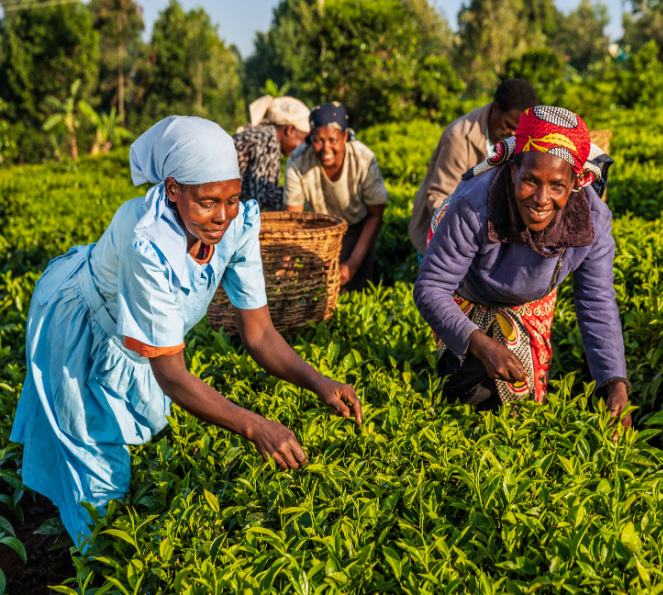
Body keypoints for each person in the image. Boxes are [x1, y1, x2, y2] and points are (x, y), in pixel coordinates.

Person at [10, 116, 362, 547]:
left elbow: (260, 334)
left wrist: (318, 381)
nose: (221, 216)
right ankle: (93, 561)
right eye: (207, 202)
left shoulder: (239, 225)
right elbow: (171, 374)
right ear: (173, 189)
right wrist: (255, 427)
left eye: (232, 199)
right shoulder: (147, 242)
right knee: (98, 476)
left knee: (126, 434)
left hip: (132, 337)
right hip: (81, 325)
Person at [413, 106, 629, 431]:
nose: (542, 198)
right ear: (512, 169)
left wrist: (614, 380)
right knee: (470, 391)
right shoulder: (474, 205)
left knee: (523, 404)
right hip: (468, 295)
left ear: (575, 183)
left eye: (557, 185)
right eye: (530, 180)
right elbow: (431, 288)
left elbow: (596, 300)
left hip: (531, 303)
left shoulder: (592, 220)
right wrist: (479, 343)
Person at [408, 79, 539, 258]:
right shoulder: (459, 138)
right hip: (443, 240)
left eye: (520, 130)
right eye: (509, 125)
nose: (514, 135)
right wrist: (475, 233)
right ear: (495, 110)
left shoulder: (523, 138)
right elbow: (439, 198)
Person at [284, 102, 388, 292]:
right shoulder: (298, 161)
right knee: (321, 289)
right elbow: (294, 220)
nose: (326, 148)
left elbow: (375, 214)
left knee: (357, 288)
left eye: (332, 140)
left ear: (345, 136)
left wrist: (353, 264)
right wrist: (287, 262)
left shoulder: (364, 159)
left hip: (358, 227)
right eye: (318, 140)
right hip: (320, 229)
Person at [233, 95, 310, 211]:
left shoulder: (262, 133)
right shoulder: (269, 140)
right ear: (290, 130)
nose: (303, 149)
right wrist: (298, 191)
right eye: (303, 141)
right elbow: (262, 196)